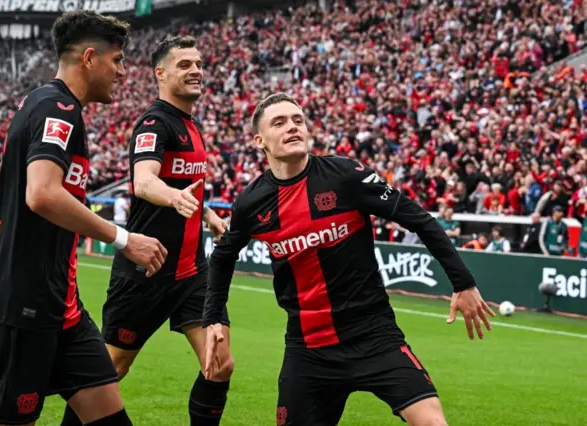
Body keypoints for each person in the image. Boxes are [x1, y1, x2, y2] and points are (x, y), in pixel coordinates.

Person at [202, 93, 495, 426]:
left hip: (373, 335)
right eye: (279, 122)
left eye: (298, 120)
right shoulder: (251, 202)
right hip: (308, 348)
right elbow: (223, 255)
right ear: (260, 141)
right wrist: (214, 318)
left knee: (432, 422)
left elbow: (420, 220)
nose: (293, 127)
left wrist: (464, 282)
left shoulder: (345, 175)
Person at [0, 11, 168, 426]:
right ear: (90, 58)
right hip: (22, 310)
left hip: (62, 308)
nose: (122, 72)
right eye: (117, 61)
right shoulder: (58, 109)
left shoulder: (41, 103)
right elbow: (42, 194)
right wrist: (123, 238)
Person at [61, 35, 234, 426]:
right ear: (161, 73)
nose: (196, 70)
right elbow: (144, 181)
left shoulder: (191, 125)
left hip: (192, 272)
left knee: (219, 364)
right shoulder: (154, 123)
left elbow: (183, 183)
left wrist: (205, 214)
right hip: (146, 271)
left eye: (199, 64)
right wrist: (173, 199)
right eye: (185, 64)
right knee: (109, 373)